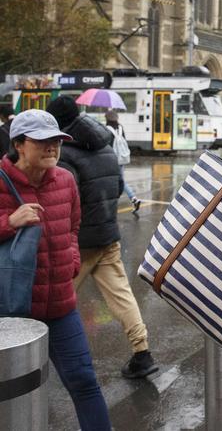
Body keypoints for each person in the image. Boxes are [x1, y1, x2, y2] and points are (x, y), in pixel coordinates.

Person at [0, 109, 111, 430]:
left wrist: (72, 261)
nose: (52, 147)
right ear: (19, 144)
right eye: (42, 141)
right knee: (12, 392)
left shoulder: (65, 179)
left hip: (61, 304)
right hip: (11, 310)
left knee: (84, 381)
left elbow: (74, 226)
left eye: (57, 141)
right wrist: (9, 222)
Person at [46, 96, 158, 379]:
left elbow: (62, 201)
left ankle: (35, 356)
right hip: (108, 235)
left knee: (55, 299)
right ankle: (142, 352)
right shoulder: (106, 147)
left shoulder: (66, 155)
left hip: (79, 243)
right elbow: (119, 185)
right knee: (121, 295)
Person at [105, 109, 141, 214]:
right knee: (120, 180)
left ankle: (131, 199)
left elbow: (107, 146)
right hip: (122, 158)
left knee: (115, 181)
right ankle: (133, 199)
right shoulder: (120, 128)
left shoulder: (107, 129)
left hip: (112, 159)